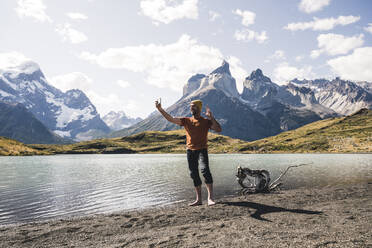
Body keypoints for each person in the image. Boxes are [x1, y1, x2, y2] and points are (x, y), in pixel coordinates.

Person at [155, 99, 222, 206]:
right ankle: (199, 200)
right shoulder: (186, 120)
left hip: (202, 150)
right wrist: (160, 109)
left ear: (199, 108)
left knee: (205, 171)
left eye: (193, 106)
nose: (191, 108)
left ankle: (210, 198)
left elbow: (218, 129)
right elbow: (171, 119)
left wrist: (211, 117)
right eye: (191, 106)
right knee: (194, 174)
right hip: (190, 151)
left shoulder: (206, 122)